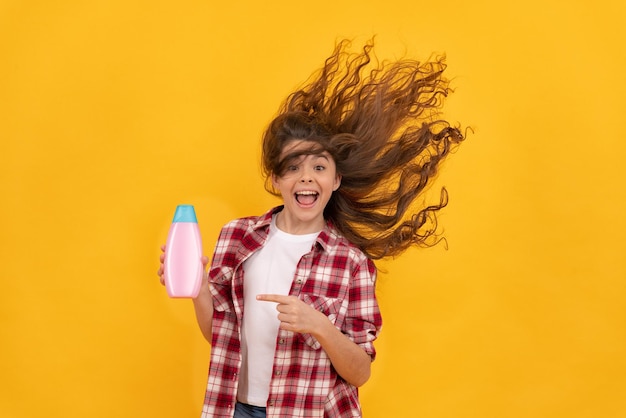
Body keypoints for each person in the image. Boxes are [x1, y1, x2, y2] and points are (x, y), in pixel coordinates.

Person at [158, 38, 464, 418]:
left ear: (336, 180)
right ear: (276, 179)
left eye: (319, 167)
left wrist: (319, 325)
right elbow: (219, 338)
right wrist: (199, 289)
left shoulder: (350, 262)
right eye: (293, 168)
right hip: (234, 409)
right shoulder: (236, 237)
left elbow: (360, 372)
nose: (306, 178)